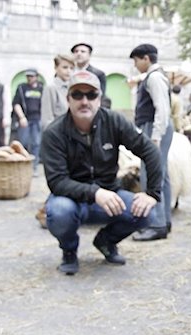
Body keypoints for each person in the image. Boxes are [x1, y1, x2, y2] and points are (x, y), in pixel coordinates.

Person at [41, 70, 162, 275]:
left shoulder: (114, 121)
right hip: (71, 199)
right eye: (77, 95)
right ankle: (69, 250)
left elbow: (150, 150)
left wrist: (152, 193)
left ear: (100, 98)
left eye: (91, 95)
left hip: (110, 196)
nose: (84, 101)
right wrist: (95, 193)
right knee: (59, 212)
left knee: (148, 212)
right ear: (68, 98)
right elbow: (57, 182)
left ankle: (106, 242)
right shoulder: (54, 133)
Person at [129, 43, 174, 241]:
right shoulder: (155, 76)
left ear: (146, 58)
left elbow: (162, 109)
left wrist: (155, 136)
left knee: (151, 174)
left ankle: (156, 224)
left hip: (154, 127)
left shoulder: (154, 77)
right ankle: (165, 220)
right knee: (161, 175)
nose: (136, 65)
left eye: (136, 60)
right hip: (157, 127)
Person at [12, 68, 43, 172]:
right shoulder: (22, 87)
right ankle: (22, 165)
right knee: (23, 143)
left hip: (37, 119)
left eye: (31, 76)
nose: (29, 78)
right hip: (25, 119)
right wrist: (21, 117)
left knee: (36, 143)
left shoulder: (41, 88)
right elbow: (16, 103)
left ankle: (34, 167)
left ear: (36, 77)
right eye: (28, 76)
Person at [41, 54, 75, 129]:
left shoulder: (74, 88)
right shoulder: (51, 88)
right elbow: (47, 119)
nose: (69, 71)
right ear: (56, 68)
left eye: (72, 68)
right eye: (65, 67)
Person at [71, 42, 108, 107]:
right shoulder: (67, 73)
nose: (79, 54)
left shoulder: (98, 74)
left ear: (89, 55)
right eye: (76, 51)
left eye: (83, 51)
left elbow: (101, 96)